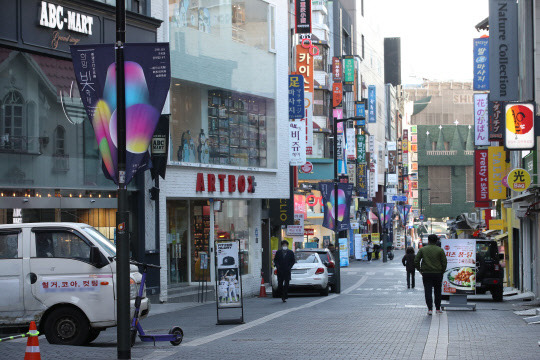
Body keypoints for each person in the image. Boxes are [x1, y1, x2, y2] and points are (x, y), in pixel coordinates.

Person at [415, 234, 447, 315]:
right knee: (438, 291)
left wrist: (420, 270)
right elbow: (444, 262)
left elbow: (416, 261)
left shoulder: (423, 249)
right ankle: (437, 308)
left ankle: (429, 309)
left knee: (428, 290)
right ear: (436, 241)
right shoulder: (440, 250)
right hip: (438, 273)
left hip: (426, 273)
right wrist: (442, 271)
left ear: (428, 240)